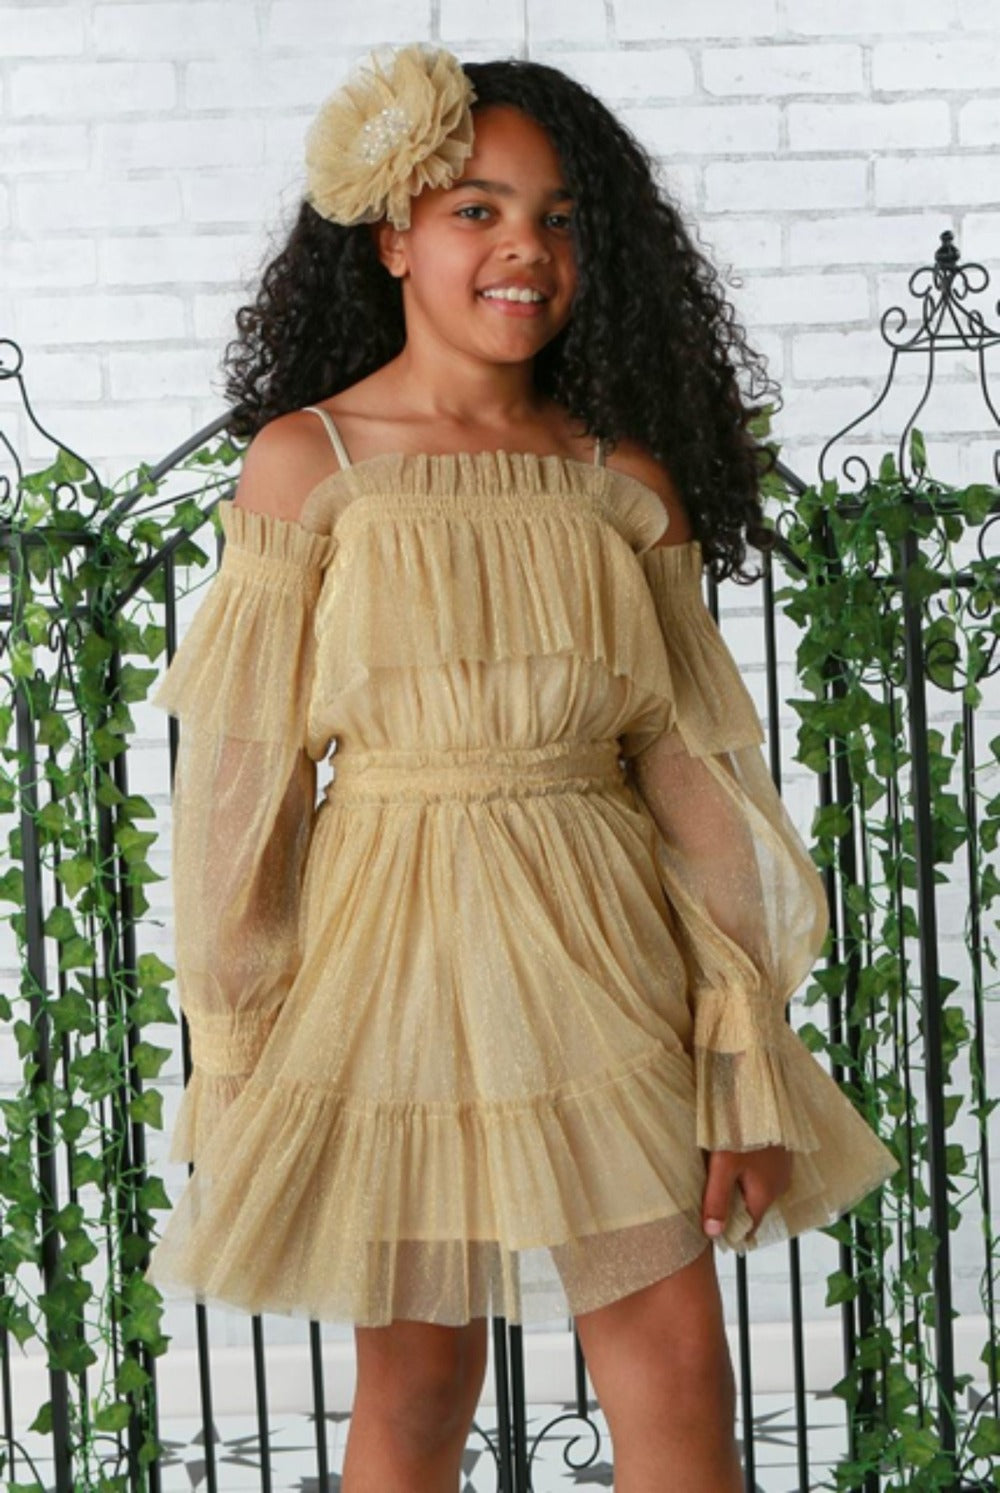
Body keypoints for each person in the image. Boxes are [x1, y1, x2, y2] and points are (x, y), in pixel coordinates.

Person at [145, 43, 899, 1493]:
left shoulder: (622, 482)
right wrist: (236, 1043)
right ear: (392, 235)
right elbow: (239, 796)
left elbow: (698, 782)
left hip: (605, 958)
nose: (524, 249)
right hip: (391, 968)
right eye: (477, 210)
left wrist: (742, 1053)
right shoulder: (309, 465)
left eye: (558, 218)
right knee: (418, 1381)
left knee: (676, 1363)